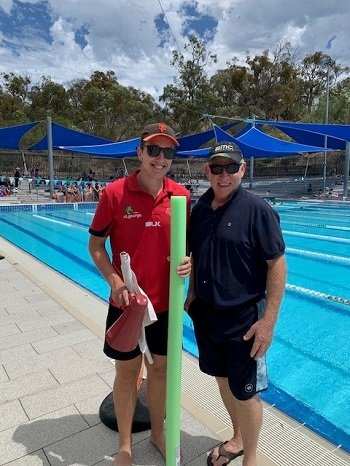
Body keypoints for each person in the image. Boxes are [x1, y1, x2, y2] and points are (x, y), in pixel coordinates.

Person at [88, 122, 191, 466]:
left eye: (168, 152)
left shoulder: (181, 196)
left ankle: (159, 435)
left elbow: (184, 246)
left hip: (165, 306)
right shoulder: (114, 194)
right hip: (127, 304)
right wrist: (114, 281)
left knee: (160, 372)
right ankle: (125, 445)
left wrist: (188, 260)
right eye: (153, 150)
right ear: (140, 152)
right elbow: (96, 246)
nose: (160, 158)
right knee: (127, 373)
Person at [185, 141, 286, 466]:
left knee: (245, 393)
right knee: (223, 380)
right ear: (207, 172)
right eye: (217, 168)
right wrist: (191, 295)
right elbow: (196, 254)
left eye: (231, 168)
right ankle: (238, 438)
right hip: (208, 316)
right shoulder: (200, 209)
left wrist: (268, 322)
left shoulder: (258, 210)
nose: (224, 175)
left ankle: (251, 457)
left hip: (244, 320)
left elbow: (277, 265)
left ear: (242, 170)